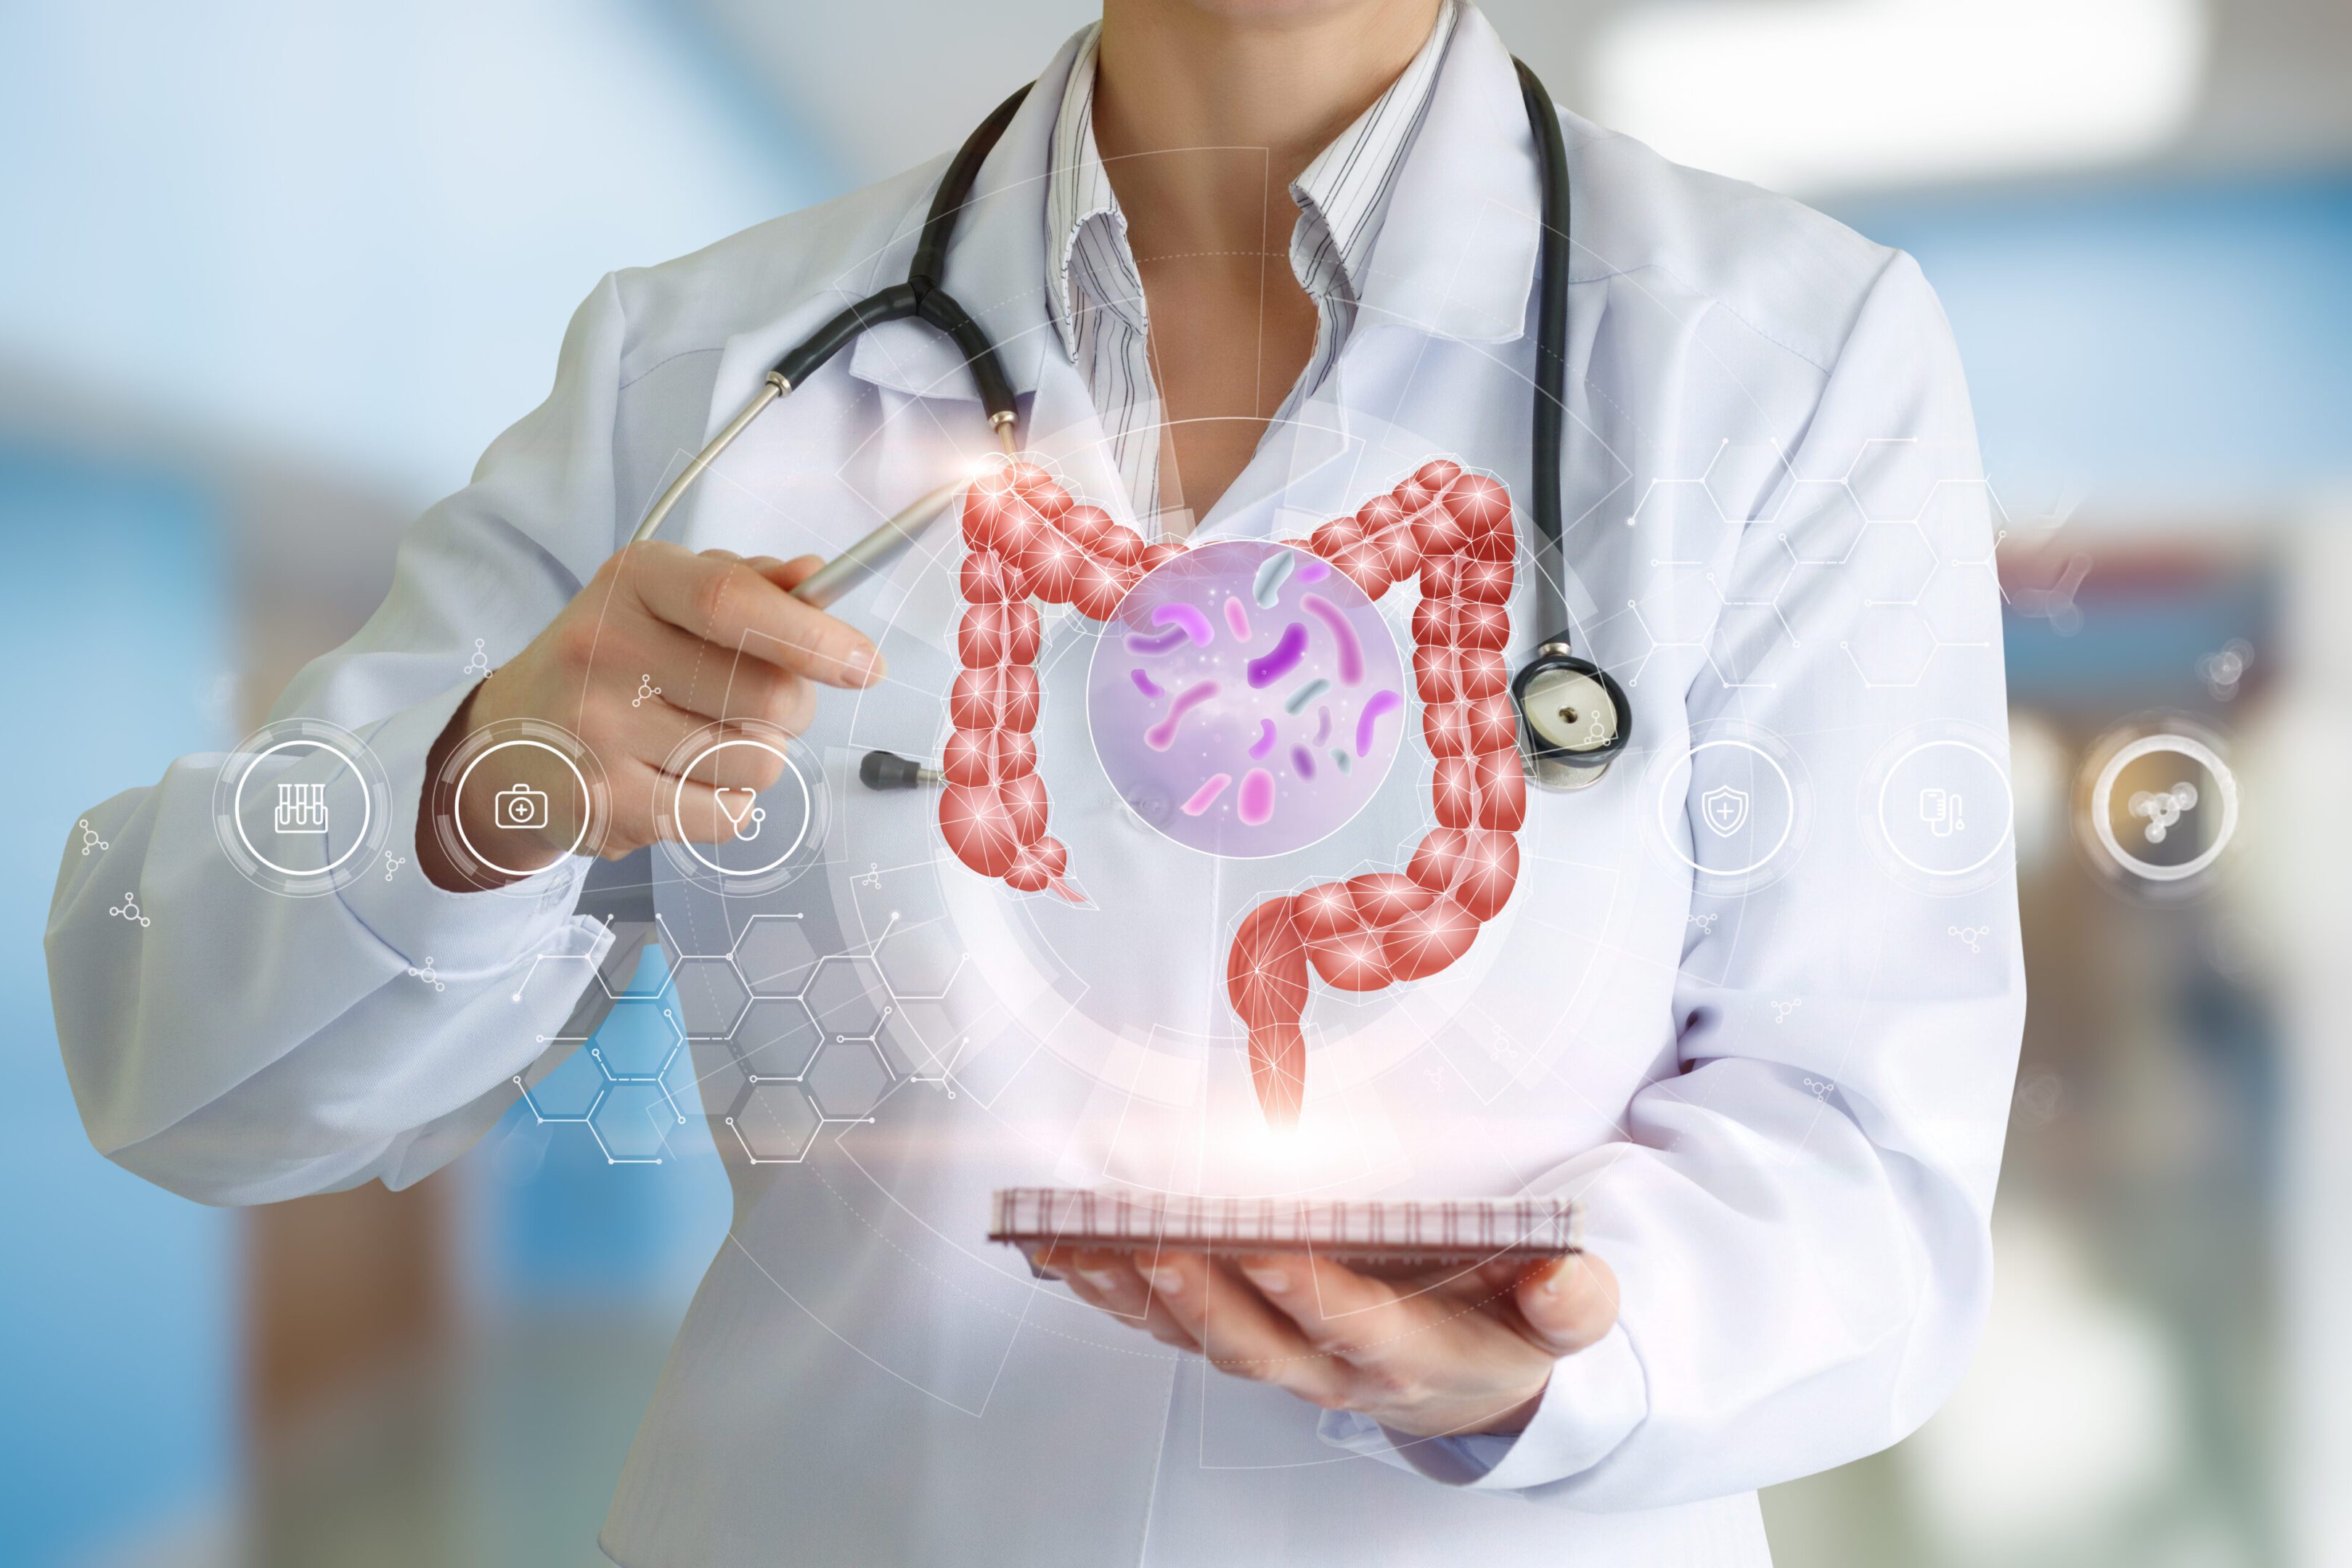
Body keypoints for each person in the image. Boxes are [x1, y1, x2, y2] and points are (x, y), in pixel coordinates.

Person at [46, 1, 2025, 1563]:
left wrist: (1562, 1337)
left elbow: (1864, 1139)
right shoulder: (709, 366)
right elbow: (169, 1034)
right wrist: (487, 780)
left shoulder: (1784, 359)